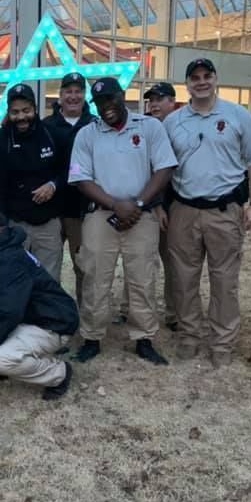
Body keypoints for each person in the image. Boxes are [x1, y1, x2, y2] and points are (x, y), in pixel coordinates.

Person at [163, 58, 251, 368]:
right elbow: (162, 167)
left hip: (225, 210)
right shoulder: (173, 121)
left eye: (207, 75)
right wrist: (160, 205)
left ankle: (222, 341)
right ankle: (189, 336)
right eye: (194, 77)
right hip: (183, 209)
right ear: (187, 84)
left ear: (215, 79)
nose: (201, 82)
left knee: (224, 281)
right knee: (183, 278)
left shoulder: (238, 116)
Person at [69, 77, 177, 365]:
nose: (107, 107)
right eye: (100, 102)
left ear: (122, 95)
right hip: (100, 216)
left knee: (142, 278)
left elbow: (164, 168)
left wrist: (138, 204)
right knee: (95, 277)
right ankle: (92, 337)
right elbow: (80, 178)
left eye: (111, 99)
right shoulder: (86, 133)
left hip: (142, 216)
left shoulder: (149, 127)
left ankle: (143, 337)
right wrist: (115, 204)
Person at [0, 209, 79, 400]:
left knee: (4, 359)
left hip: (53, 324)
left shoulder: (11, 258)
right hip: (32, 316)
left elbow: (11, 310)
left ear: (4, 230)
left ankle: (59, 373)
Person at [0, 84, 67, 282]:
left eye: (26, 111)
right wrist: (0, 226)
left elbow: (68, 170)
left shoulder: (53, 134)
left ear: (35, 109)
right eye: (15, 112)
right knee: (14, 280)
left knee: (48, 281)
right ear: (8, 112)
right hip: (14, 224)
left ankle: (46, 314)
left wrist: (53, 185)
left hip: (48, 224)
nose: (21, 117)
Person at [42, 71, 95, 302]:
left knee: (83, 265)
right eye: (68, 91)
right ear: (60, 95)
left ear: (84, 95)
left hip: (80, 209)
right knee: (47, 266)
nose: (73, 96)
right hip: (50, 209)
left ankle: (85, 314)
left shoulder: (94, 125)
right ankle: (51, 310)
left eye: (78, 91)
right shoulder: (45, 125)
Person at [143, 81, 181, 330]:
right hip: (145, 205)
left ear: (172, 102)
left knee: (173, 262)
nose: (155, 104)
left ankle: (174, 313)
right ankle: (130, 309)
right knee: (140, 261)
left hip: (176, 204)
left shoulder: (181, 126)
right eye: (151, 100)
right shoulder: (141, 127)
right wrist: (155, 204)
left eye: (160, 99)